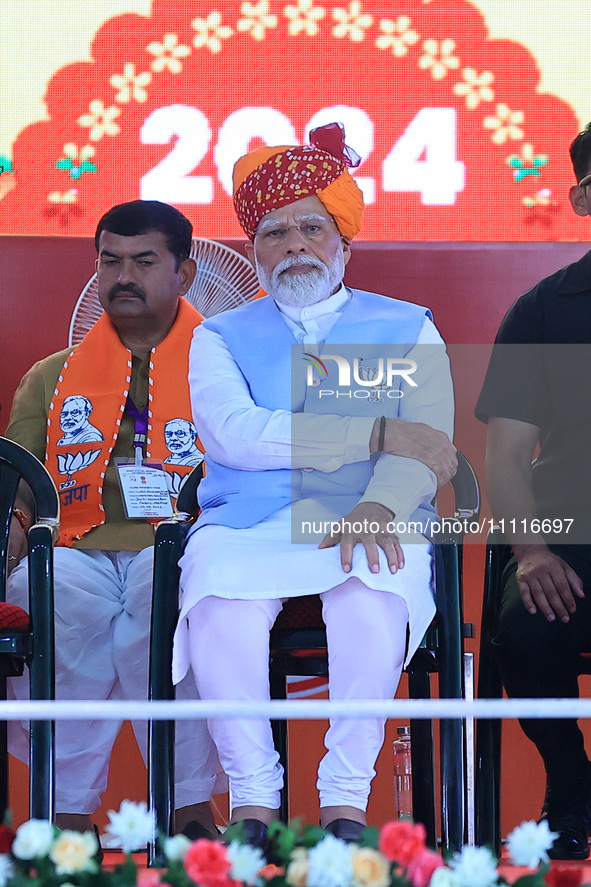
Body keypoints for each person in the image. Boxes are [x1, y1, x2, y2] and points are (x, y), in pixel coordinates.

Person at [172, 123, 457, 848]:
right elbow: (233, 433)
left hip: (369, 511)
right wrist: (365, 433)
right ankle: (253, 801)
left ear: (344, 242)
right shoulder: (220, 335)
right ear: (251, 250)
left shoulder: (406, 328)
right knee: (217, 597)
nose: (293, 245)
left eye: (311, 227)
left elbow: (423, 442)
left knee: (368, 590)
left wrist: (377, 502)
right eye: (273, 233)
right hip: (248, 522)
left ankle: (343, 804)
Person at [6, 200, 222, 839]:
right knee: (41, 597)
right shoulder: (51, 377)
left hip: (185, 540)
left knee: (175, 609)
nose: (123, 276)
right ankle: (65, 810)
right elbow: (18, 485)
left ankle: (187, 806)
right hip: (72, 545)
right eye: (110, 261)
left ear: (183, 275)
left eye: (144, 261)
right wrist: (13, 539)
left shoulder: (225, 368)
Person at [476, 122, 591, 859]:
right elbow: (507, 454)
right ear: (582, 198)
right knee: (522, 629)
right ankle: (573, 781)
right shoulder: (543, 309)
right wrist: (530, 549)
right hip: (570, 533)